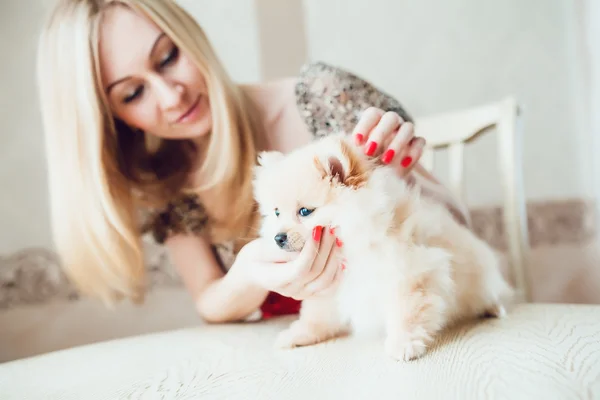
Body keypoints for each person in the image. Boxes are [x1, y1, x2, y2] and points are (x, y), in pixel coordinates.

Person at [36, 0, 471, 323]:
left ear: (190, 34)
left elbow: (459, 232)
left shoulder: (321, 97)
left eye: (168, 57)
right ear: (113, 119)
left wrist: (396, 179)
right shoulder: (167, 181)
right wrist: (246, 277)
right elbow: (209, 300)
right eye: (133, 94)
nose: (171, 97)